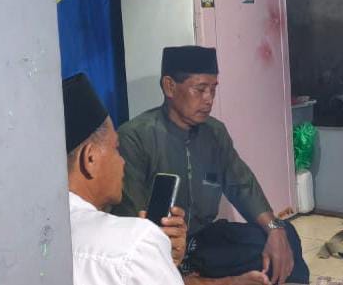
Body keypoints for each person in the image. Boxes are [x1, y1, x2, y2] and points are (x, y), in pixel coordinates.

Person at [114, 46, 309, 285]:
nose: (209, 99)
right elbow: (130, 222)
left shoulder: (214, 133)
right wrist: (167, 255)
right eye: (200, 89)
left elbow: (242, 185)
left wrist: (274, 228)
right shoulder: (135, 137)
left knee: (284, 237)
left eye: (213, 89)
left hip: (202, 242)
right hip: (159, 251)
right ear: (170, 87)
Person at [63, 72, 188, 285]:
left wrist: (163, 261)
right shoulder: (136, 244)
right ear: (90, 159)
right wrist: (153, 254)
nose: (122, 162)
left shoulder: (26, 240)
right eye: (116, 148)